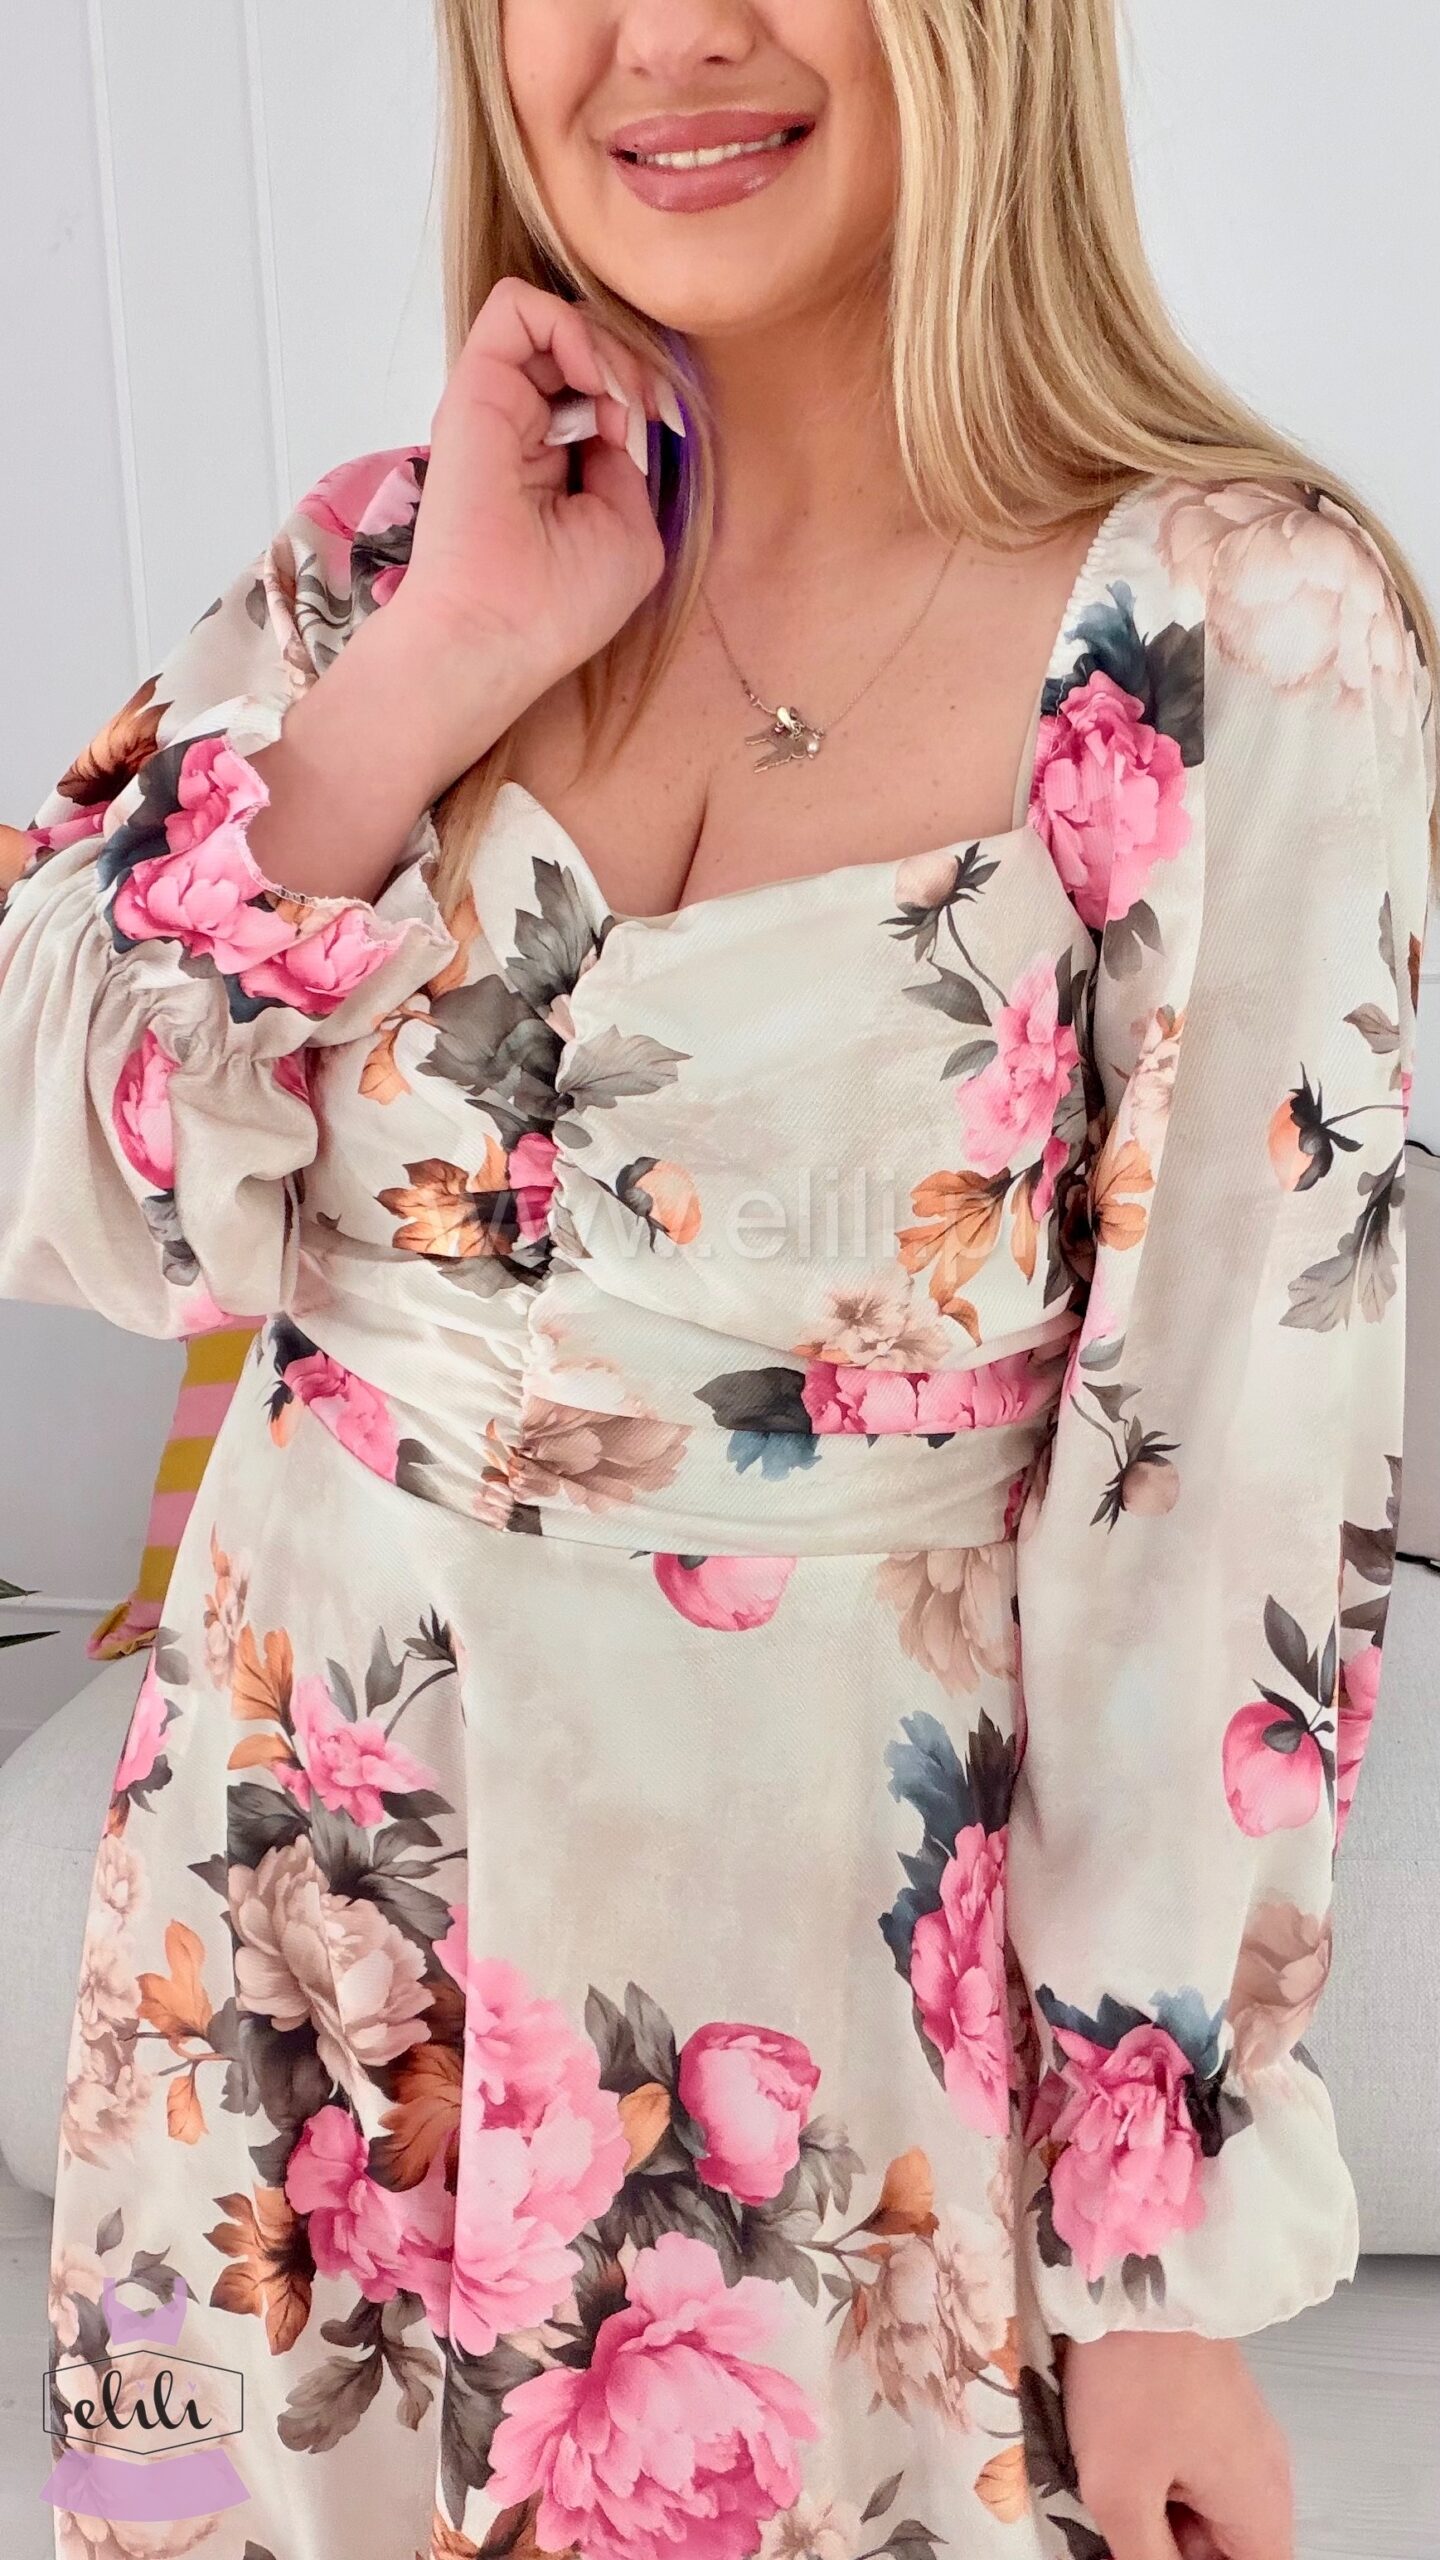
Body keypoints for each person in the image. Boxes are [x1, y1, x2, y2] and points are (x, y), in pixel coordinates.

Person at [1, 3, 1435, 2556]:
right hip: (256, 2014)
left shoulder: (1241, 632)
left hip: (809, 2079)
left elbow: (1219, 1482)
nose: (673, 36)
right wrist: (437, 667)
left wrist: (1159, 2280)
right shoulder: (385, 559)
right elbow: (46, 1162)